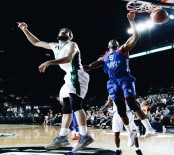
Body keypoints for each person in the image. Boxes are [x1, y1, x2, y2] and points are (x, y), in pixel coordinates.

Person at [17, 22, 94, 152]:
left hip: (77, 75)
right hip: (68, 77)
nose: (64, 31)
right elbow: (36, 42)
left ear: (70, 36)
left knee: (75, 105)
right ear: (58, 35)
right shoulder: (54, 46)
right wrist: (25, 30)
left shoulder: (72, 44)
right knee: (66, 108)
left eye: (67, 31)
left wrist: (49, 62)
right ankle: (63, 137)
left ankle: (84, 136)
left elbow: (68, 58)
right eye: (62, 30)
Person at [83, 11, 157, 141]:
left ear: (117, 45)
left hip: (124, 79)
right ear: (108, 46)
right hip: (112, 82)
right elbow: (88, 67)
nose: (113, 41)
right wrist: (72, 67)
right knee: (121, 110)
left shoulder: (122, 50)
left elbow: (136, 36)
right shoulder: (104, 58)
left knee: (131, 103)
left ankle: (149, 129)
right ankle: (131, 132)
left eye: (115, 41)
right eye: (111, 41)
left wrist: (131, 21)